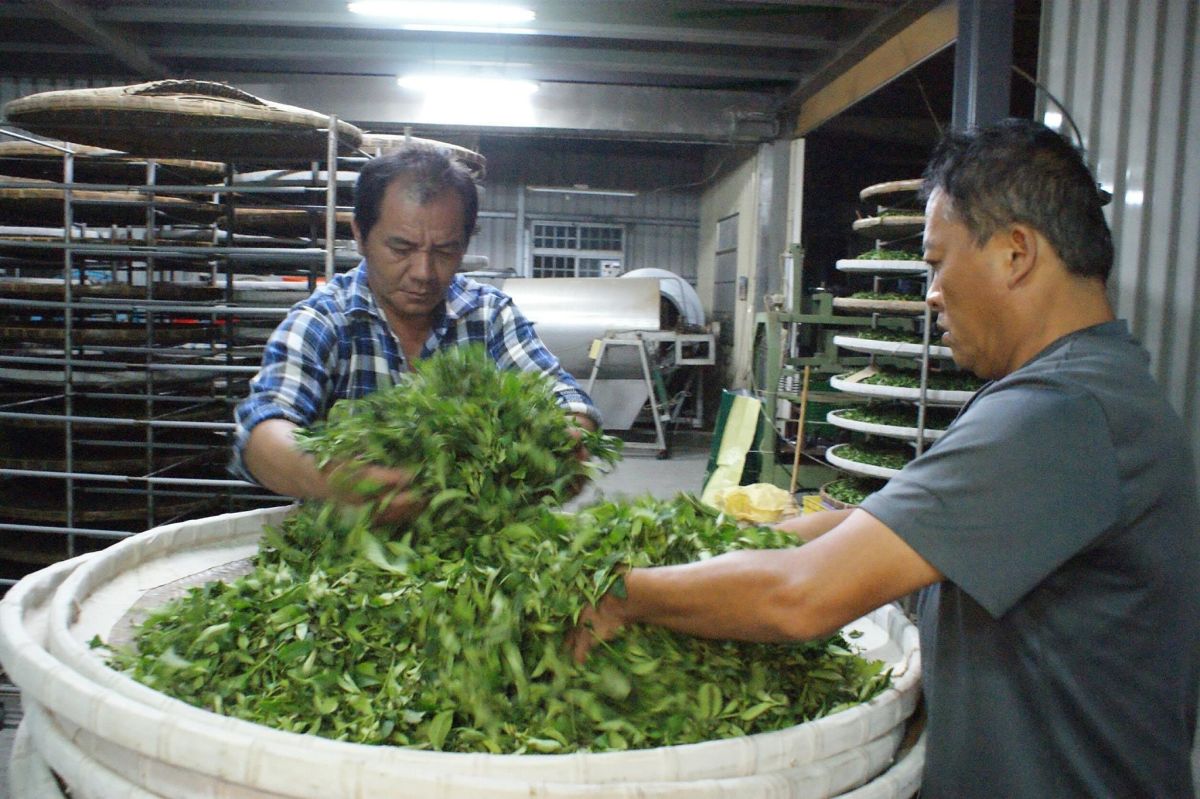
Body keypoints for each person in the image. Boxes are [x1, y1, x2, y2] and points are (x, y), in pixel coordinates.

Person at [569, 118, 1200, 797]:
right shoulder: (1082, 389)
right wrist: (716, 542)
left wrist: (619, 596)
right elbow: (886, 529)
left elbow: (799, 596)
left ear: (1016, 252)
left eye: (935, 263)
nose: (929, 295)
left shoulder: (1060, 413)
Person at [233, 145, 600, 521]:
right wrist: (339, 480)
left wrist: (567, 439)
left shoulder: (488, 315)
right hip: (348, 552)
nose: (424, 272)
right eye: (402, 248)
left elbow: (563, 398)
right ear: (361, 236)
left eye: (444, 251)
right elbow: (261, 431)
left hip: (475, 543)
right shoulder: (325, 321)